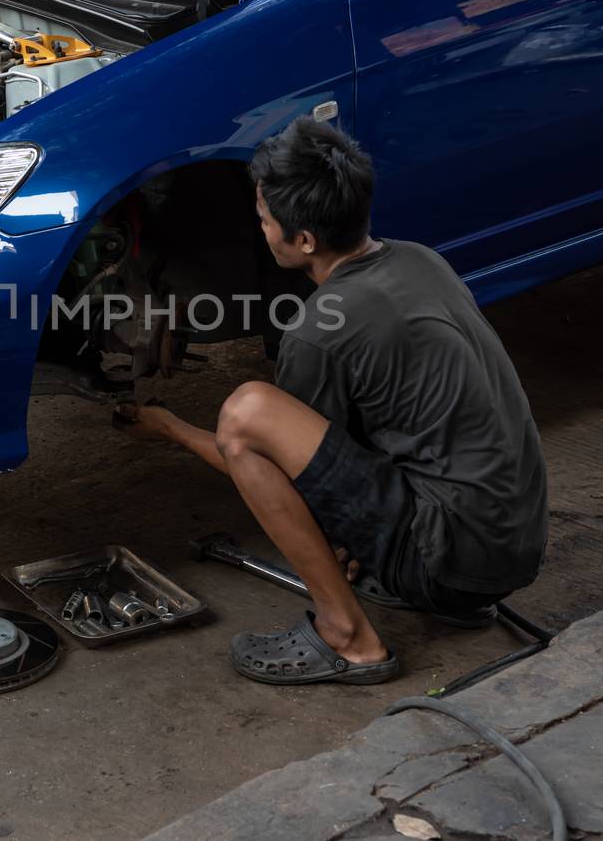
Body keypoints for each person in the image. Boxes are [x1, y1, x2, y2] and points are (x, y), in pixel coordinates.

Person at [116, 118, 548, 685]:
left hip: (449, 561)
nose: (261, 229)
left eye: (265, 220)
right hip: (514, 543)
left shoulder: (319, 332)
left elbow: (272, 465)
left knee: (248, 414)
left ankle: (347, 635)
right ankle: (449, 599)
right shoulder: (420, 259)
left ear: (305, 241)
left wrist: (171, 427)